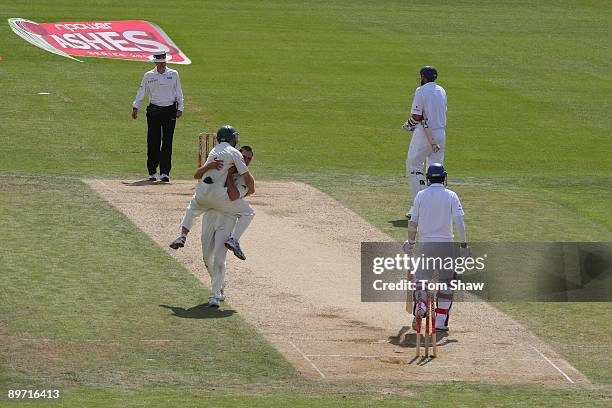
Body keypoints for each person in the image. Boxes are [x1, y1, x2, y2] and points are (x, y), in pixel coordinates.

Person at [170, 126, 255, 260]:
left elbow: (196, 175)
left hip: (203, 194)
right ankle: (234, 240)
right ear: (232, 139)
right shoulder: (234, 153)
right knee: (249, 212)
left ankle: (183, 236)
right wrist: (251, 188)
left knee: (192, 208)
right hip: (220, 197)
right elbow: (246, 176)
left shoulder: (213, 151)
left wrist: (209, 166)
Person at [403, 163, 468, 332]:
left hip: (426, 244)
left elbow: (413, 222)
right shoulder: (452, 195)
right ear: (444, 177)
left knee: (422, 280)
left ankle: (422, 307)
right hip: (446, 245)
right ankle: (439, 323)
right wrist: (464, 244)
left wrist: (410, 243)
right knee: (447, 283)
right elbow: (459, 222)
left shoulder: (421, 195)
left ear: (428, 178)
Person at [201, 158, 253, 307]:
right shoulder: (219, 168)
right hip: (210, 215)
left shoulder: (244, 178)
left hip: (227, 219)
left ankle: (215, 295)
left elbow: (233, 195)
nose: (246, 161)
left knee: (219, 258)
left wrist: (229, 175)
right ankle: (220, 283)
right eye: (244, 158)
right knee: (206, 257)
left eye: (249, 159)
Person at [402, 66, 447, 219]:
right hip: (440, 133)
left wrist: (408, 125)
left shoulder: (420, 91)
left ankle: (420, 207)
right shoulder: (442, 90)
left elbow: (416, 116)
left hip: (425, 133)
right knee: (435, 169)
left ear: (424, 77)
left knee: (413, 165)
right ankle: (436, 208)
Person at [132, 52, 184, 182]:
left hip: (169, 110)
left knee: (167, 142)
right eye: (159, 62)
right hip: (154, 111)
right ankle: (152, 172)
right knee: (153, 141)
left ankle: (165, 172)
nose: (162, 64)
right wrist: (135, 107)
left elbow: (179, 92)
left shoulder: (173, 74)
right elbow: (141, 91)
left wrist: (180, 108)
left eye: (164, 62)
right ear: (155, 62)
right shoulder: (149, 75)